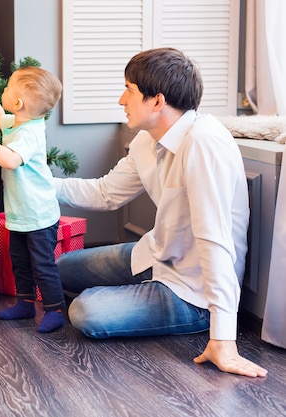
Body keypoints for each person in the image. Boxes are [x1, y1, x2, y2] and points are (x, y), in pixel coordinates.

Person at [54, 47, 268, 377]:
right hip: (155, 256)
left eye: (129, 90)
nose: (121, 100)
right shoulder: (146, 141)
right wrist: (40, 183)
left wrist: (223, 337)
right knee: (60, 270)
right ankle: (130, 297)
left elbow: (215, 241)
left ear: (157, 101)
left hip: (192, 292)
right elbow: (106, 193)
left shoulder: (203, 143)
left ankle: (163, 312)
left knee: (85, 311)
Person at [0, 63, 65, 333]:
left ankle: (55, 308)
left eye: (8, 87)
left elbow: (10, 160)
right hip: (21, 213)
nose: (5, 89)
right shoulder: (18, 122)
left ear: (19, 102)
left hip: (39, 213)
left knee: (42, 264)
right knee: (19, 261)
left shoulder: (29, 133)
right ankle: (25, 302)